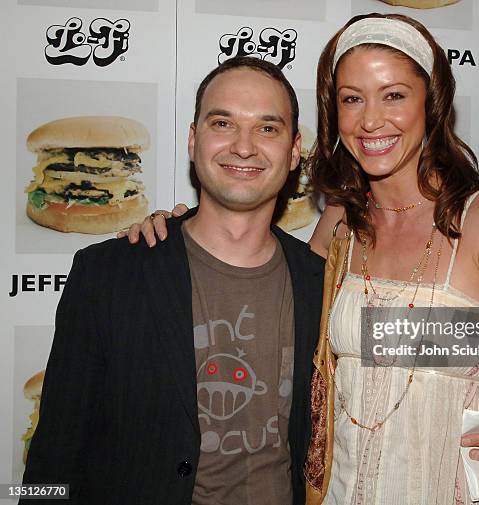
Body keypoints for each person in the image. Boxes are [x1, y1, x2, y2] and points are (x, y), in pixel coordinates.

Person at [121, 14, 479, 504]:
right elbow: (259, 285)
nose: (370, 120)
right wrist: (175, 230)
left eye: (394, 95)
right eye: (351, 98)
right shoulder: (340, 227)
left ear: (431, 104)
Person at [21, 57, 325, 505]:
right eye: (223, 123)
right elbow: (53, 459)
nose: (244, 147)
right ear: (192, 139)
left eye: (267, 128)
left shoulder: (321, 280)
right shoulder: (108, 274)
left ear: (295, 149)